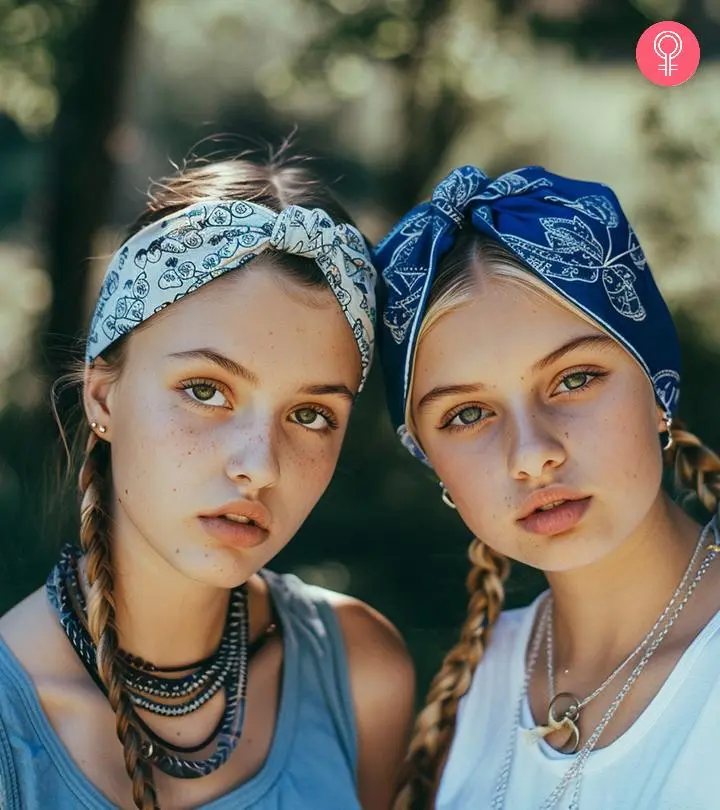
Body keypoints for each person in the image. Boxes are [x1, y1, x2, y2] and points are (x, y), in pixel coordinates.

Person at [0, 152, 415, 810]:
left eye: (311, 415)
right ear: (105, 397)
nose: (259, 464)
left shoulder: (361, 677)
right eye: (206, 389)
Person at [374, 164, 720, 810]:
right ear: (431, 462)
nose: (532, 456)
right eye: (467, 415)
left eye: (574, 379)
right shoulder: (476, 685)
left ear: (656, 390)